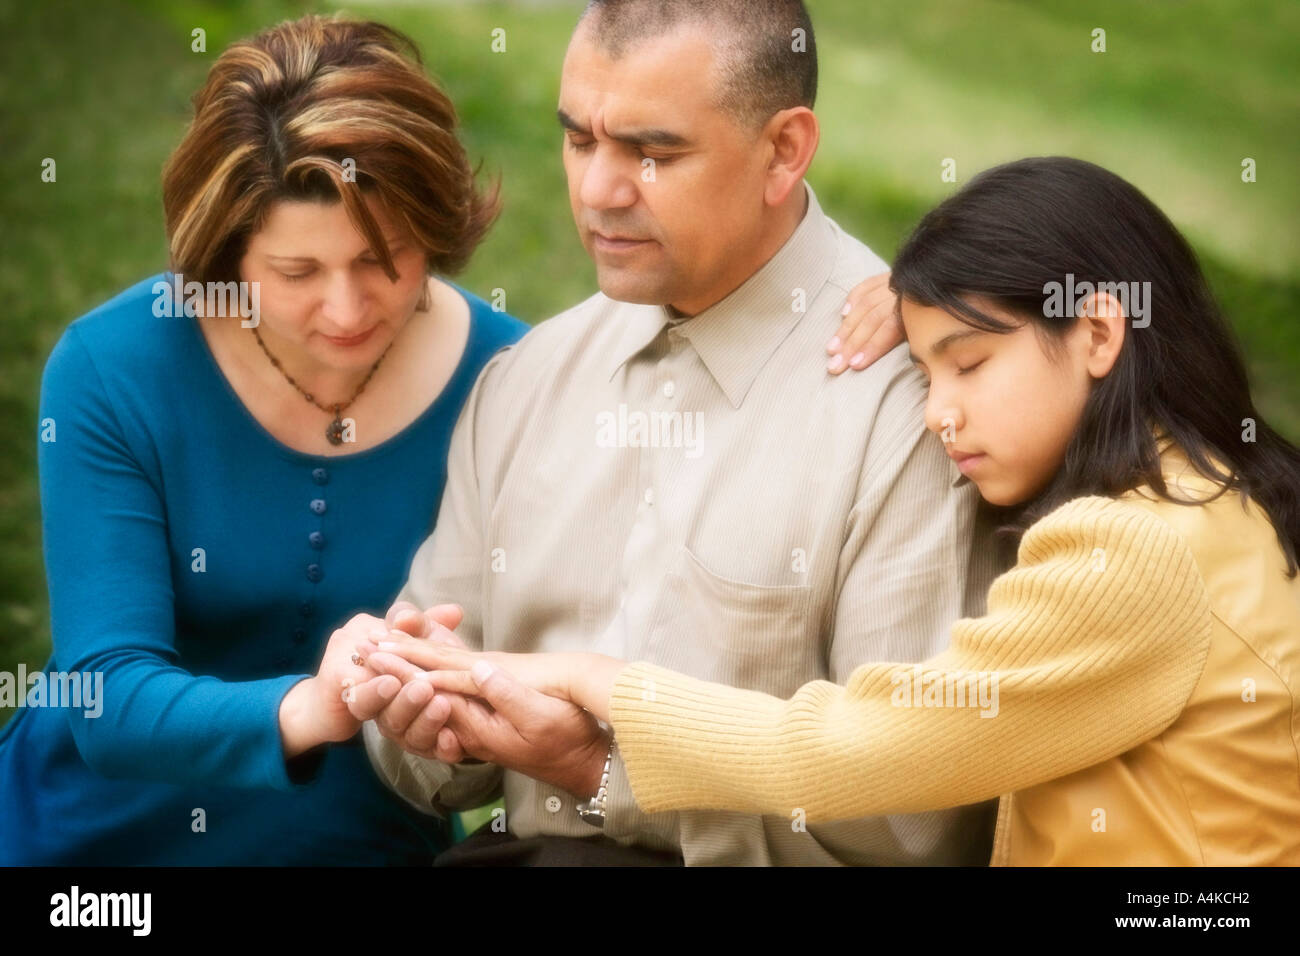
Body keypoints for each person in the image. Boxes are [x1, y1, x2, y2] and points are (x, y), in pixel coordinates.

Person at [371, 156, 1300, 866]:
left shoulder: (1128, 551)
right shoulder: (1215, 501)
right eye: (925, 370)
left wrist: (596, 683)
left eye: (968, 365)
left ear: (1098, 332)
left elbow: (850, 751)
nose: (938, 412)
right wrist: (936, 299)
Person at [346, 0, 1005, 866]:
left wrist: (596, 769)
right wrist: (423, 715)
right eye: (580, 140)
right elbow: (432, 761)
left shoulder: (915, 405)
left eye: (653, 153)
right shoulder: (527, 379)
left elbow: (910, 825)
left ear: (784, 150)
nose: (597, 192)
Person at [0, 15, 531, 864]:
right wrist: (315, 706)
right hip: (90, 854)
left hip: (364, 848)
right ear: (228, 253)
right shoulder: (114, 367)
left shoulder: (514, 378)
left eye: (384, 258)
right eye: (297, 274)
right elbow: (107, 698)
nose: (348, 309)